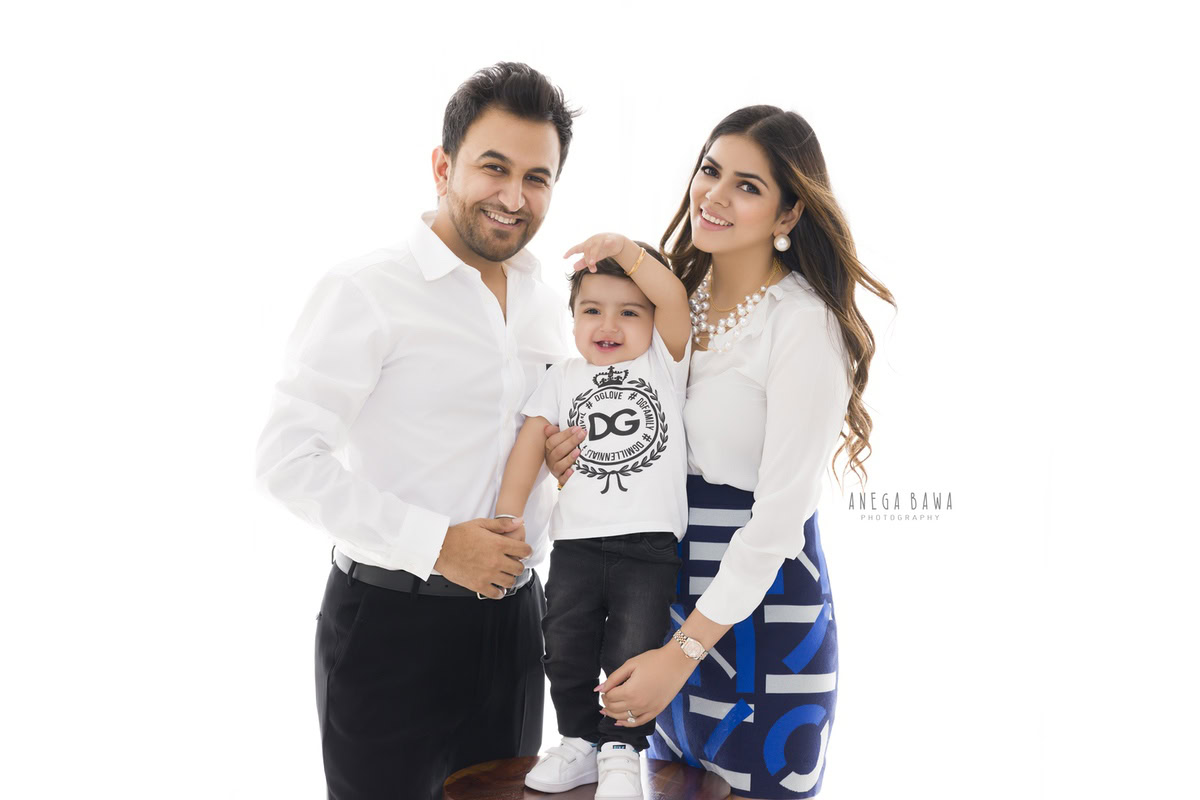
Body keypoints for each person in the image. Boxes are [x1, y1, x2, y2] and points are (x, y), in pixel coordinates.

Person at [544, 106, 896, 800]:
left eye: (747, 185)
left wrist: (684, 652)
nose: (715, 194)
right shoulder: (668, 300)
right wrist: (572, 453)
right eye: (710, 170)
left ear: (790, 214)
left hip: (757, 612)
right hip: (661, 592)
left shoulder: (802, 325)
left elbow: (780, 517)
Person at [254, 62, 578, 800]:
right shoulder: (366, 290)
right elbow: (285, 460)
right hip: (391, 630)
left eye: (537, 177)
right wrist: (438, 545)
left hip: (516, 628)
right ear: (443, 166)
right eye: (493, 167)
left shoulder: (546, 302)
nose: (513, 196)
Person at [494, 234, 690, 800]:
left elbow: (674, 299)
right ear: (573, 318)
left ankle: (622, 751)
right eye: (592, 310)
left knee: (631, 646)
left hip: (647, 547)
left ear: (653, 321)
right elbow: (531, 441)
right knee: (565, 642)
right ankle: (579, 740)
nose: (610, 323)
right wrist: (509, 520)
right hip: (576, 546)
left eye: (630, 311)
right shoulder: (562, 376)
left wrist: (624, 250)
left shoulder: (664, 363)